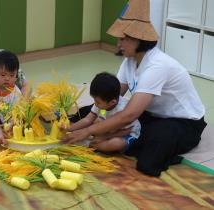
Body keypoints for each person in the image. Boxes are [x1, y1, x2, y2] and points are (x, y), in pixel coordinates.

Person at [62, 0, 207, 176]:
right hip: (151, 114)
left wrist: (89, 131)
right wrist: (96, 117)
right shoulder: (130, 61)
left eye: (124, 39)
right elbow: (112, 98)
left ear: (139, 39)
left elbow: (129, 115)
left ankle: (132, 144)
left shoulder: (157, 66)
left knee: (151, 150)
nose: (118, 44)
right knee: (91, 111)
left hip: (182, 123)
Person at [66, 72, 140, 152]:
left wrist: (106, 136)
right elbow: (88, 119)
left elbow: (127, 130)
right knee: (97, 121)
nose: (95, 104)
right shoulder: (102, 104)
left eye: (98, 102)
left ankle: (91, 144)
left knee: (114, 144)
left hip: (126, 133)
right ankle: (96, 142)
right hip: (111, 128)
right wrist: (69, 129)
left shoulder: (123, 110)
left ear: (112, 102)